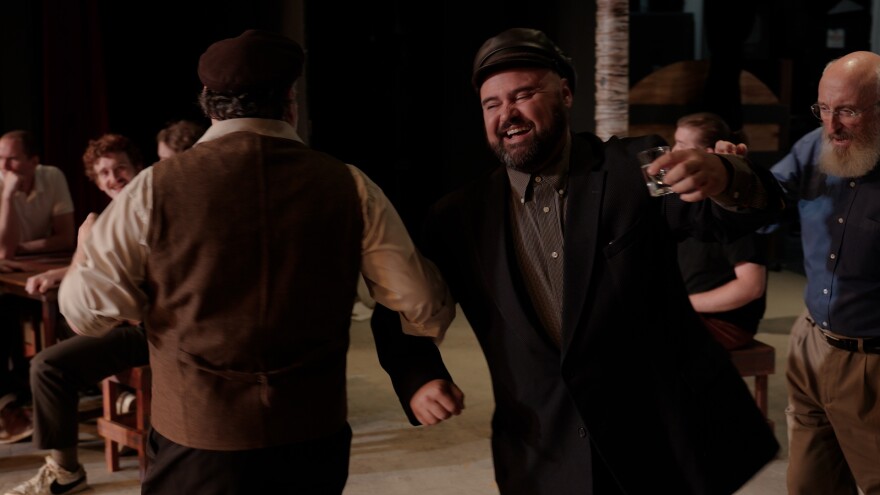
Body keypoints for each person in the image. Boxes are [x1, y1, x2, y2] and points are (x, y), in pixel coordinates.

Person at [369, 27, 782, 494]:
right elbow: (399, 302)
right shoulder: (458, 218)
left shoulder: (635, 169)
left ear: (565, 94)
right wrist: (419, 376)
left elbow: (730, 220)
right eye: (492, 103)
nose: (508, 114)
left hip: (659, 443)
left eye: (523, 95)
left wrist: (727, 176)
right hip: (544, 452)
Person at [57, 29, 454, 494]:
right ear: (290, 99)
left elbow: (87, 315)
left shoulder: (152, 188)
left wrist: (85, 250)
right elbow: (420, 303)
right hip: (312, 435)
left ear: (208, 105)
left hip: (197, 438)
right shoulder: (349, 185)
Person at [5, 124, 204, 495]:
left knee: (52, 361)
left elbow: (130, 283)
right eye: (104, 173)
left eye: (120, 169)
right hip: (129, 322)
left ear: (141, 167)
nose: (114, 179)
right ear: (96, 181)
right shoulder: (107, 219)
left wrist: (83, 255)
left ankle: (68, 464)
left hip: (159, 328)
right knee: (54, 352)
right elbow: (102, 271)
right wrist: (62, 269)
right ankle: (70, 456)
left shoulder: (153, 208)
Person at [770, 51, 880, 494]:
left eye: (848, 111)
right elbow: (767, 200)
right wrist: (726, 176)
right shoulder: (813, 146)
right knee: (807, 486)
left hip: (873, 366)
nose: (831, 126)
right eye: (825, 109)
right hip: (810, 342)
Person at [0, 130, 76, 445]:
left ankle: (53, 390)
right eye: (0, 158)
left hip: (36, 265)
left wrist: (25, 249)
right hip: (7, 273)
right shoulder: (2, 180)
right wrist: (7, 195)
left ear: (34, 160)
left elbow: (66, 236)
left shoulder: (52, 176)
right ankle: (8, 401)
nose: (4, 164)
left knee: (65, 300)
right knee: (4, 312)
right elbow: (4, 251)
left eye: (12, 158)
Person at [672, 112, 769, 350]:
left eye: (682, 146)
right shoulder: (683, 202)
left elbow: (751, 287)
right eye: (674, 142)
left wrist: (684, 303)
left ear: (708, 155)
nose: (673, 152)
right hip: (689, 311)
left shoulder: (732, 209)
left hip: (725, 322)